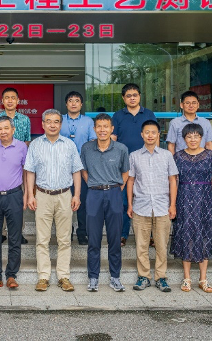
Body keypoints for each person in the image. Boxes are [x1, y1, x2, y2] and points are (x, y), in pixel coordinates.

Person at [25, 109, 83, 293]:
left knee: (64, 239)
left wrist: (76, 195)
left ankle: (63, 276)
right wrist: (30, 195)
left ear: (60, 124)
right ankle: (43, 277)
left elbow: (76, 171)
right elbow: (30, 172)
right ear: (43, 124)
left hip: (64, 195)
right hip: (42, 196)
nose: (52, 125)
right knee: (42, 239)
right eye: (48, 121)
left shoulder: (69, 145)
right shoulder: (35, 145)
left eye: (56, 121)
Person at [170, 123, 212, 294]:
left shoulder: (210, 155)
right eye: (189, 136)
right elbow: (173, 181)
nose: (193, 139)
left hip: (205, 200)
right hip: (184, 199)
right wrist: (172, 204)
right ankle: (186, 278)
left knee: (205, 235)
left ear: (202, 138)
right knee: (186, 234)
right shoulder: (178, 156)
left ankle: (203, 279)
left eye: (196, 136)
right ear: (184, 139)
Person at [127, 120, 178, 293]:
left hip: (162, 207)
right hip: (140, 206)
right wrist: (130, 204)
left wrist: (173, 205)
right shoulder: (134, 156)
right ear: (142, 135)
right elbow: (131, 181)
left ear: (158, 135)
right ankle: (144, 276)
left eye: (153, 132)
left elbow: (173, 180)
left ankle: (161, 277)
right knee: (141, 245)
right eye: (147, 132)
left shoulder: (167, 155)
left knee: (161, 245)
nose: (150, 135)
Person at [80, 114, 130, 293]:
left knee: (114, 239)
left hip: (114, 193)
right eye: (99, 126)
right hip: (94, 194)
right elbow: (84, 170)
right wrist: (93, 184)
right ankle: (93, 278)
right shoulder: (86, 148)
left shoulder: (121, 148)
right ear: (94, 129)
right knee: (93, 239)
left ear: (111, 129)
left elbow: (125, 172)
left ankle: (115, 277)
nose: (102, 130)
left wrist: (117, 188)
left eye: (106, 126)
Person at [111, 83, 157, 247]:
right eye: (128, 96)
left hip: (146, 162)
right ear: (124, 98)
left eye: (135, 95)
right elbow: (113, 139)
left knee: (147, 198)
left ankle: (150, 235)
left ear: (139, 96)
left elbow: (155, 136)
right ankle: (122, 234)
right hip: (124, 164)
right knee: (123, 200)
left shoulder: (149, 114)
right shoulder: (118, 115)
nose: (132, 98)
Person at [0, 116, 28, 291]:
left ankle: (11, 275)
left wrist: (27, 194)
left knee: (14, 237)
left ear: (13, 129)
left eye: (6, 128)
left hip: (14, 195)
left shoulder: (22, 147)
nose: (2, 132)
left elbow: (26, 172)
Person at [0, 87, 31, 246]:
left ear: (18, 101)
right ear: (2, 101)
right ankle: (2, 233)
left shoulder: (25, 120)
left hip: (17, 164)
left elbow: (27, 140)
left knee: (17, 201)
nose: (10, 100)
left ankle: (18, 232)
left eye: (13, 97)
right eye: (7, 97)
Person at [60, 91, 95, 246]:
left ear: (81, 104)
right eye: (70, 100)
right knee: (64, 201)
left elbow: (93, 142)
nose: (73, 103)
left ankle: (82, 232)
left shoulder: (88, 121)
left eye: (77, 101)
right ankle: (67, 232)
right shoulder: (59, 120)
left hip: (82, 167)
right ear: (66, 104)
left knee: (82, 200)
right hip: (62, 168)